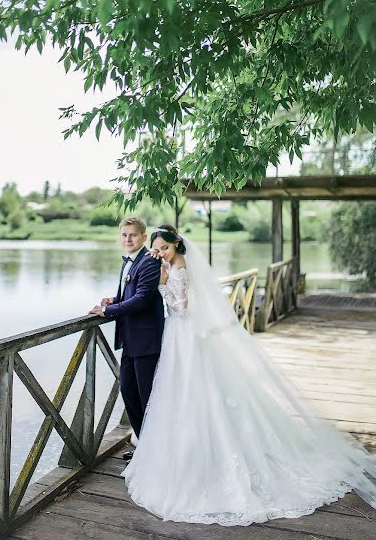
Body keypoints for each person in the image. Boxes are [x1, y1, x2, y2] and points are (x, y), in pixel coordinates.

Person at [122, 224, 376, 526]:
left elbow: (182, 307)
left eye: (165, 247)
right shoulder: (171, 262)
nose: (162, 252)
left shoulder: (180, 266)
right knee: (180, 394)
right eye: (158, 248)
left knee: (192, 388)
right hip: (179, 336)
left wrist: (162, 282)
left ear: (177, 244)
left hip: (184, 332)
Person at [89, 217, 164, 461]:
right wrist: (114, 300)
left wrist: (108, 312)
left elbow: (142, 298)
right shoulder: (129, 263)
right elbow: (129, 294)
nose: (128, 239)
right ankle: (144, 445)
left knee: (147, 398)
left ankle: (154, 451)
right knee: (129, 392)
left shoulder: (149, 261)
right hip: (130, 342)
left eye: (132, 235)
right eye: (124, 235)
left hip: (146, 341)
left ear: (144, 237)